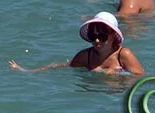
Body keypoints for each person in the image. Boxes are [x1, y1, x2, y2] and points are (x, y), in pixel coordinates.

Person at [11, 10, 143, 74]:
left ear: (113, 35)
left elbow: (140, 78)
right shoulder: (86, 56)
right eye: (93, 35)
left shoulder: (123, 55)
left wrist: (119, 75)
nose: (97, 40)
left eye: (102, 36)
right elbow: (60, 66)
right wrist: (26, 70)